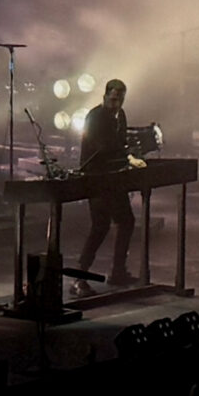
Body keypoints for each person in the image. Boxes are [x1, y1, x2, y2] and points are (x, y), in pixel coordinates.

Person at [71, 78, 138, 296]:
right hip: (96, 177)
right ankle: (79, 278)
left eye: (120, 99)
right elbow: (103, 147)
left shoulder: (121, 115)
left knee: (126, 221)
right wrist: (127, 154)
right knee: (100, 226)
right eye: (113, 98)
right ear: (106, 96)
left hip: (113, 178)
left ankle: (118, 270)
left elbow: (120, 143)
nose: (116, 103)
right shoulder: (96, 117)